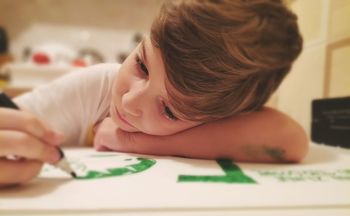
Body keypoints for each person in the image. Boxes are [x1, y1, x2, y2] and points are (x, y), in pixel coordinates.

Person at [1, 0, 308, 186]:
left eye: (170, 110)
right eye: (142, 66)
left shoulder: (211, 109)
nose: (129, 102)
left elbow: (290, 141)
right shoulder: (96, 88)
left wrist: (133, 140)